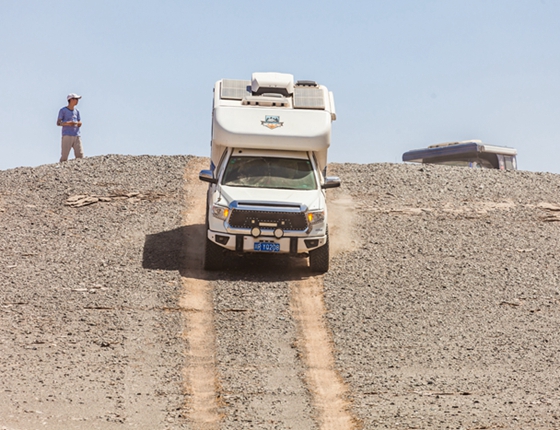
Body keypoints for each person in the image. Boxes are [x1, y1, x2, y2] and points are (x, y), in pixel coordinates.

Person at [57, 93, 83, 162]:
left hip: (77, 135)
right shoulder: (63, 110)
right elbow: (58, 123)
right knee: (64, 156)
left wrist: (79, 123)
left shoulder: (77, 111)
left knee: (80, 155)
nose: (77, 101)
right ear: (71, 100)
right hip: (67, 135)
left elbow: (79, 120)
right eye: (76, 99)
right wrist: (68, 123)